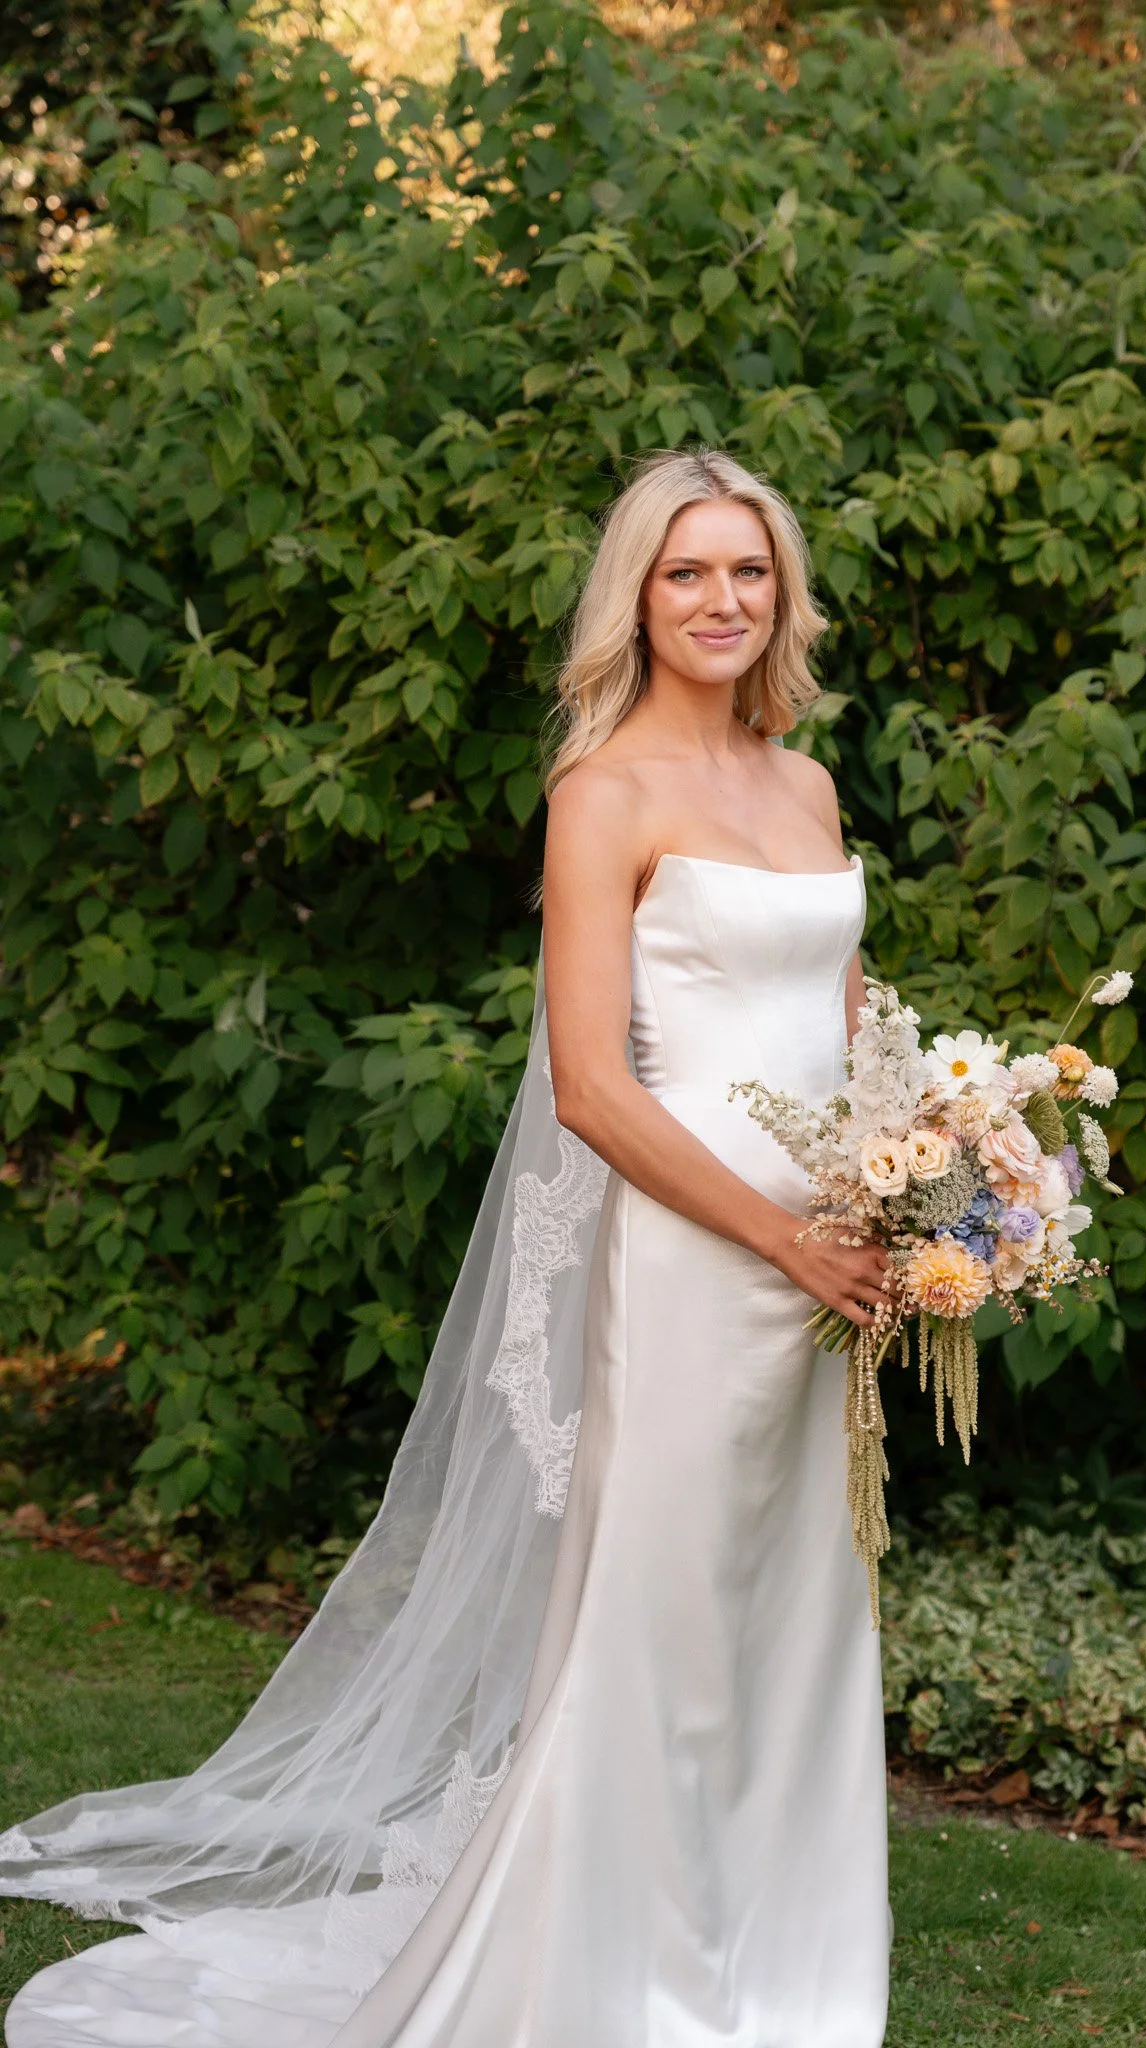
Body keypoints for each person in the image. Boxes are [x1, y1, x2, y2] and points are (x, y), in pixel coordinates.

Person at [2, 450, 892, 2047]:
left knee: (797, 1617)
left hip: (835, 1268)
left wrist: (902, 1199)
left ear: (785, 593)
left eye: (748, 573)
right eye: (687, 572)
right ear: (636, 592)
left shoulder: (808, 785)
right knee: (665, 1621)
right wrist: (779, 1238)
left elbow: (844, 1039)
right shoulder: (603, 791)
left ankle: (785, 1971)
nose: (721, 601)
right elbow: (594, 1087)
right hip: (697, 1267)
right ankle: (625, 1983)